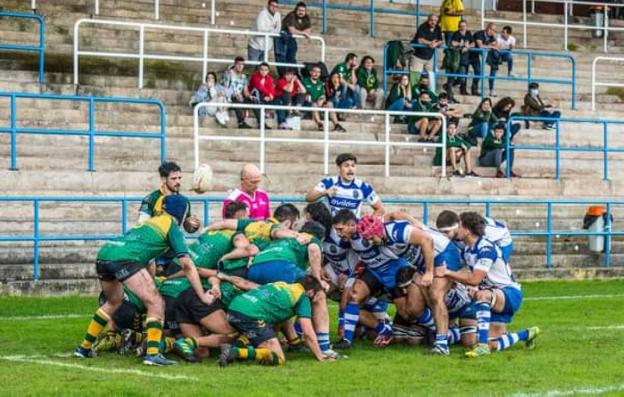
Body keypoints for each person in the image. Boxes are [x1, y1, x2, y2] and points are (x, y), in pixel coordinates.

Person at [74, 195, 209, 366]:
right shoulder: (171, 227)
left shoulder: (150, 222)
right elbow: (187, 265)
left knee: (113, 301)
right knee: (156, 303)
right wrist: (202, 296)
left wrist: (150, 283)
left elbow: (150, 261)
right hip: (125, 258)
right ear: (182, 212)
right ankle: (152, 354)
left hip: (105, 253)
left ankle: (84, 348)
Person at [444, 212, 540, 358]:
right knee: (490, 344)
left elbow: (475, 279)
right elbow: (474, 278)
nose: (457, 229)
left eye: (459, 226)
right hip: (494, 297)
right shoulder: (467, 251)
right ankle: (527, 334)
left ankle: (482, 347)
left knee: (482, 295)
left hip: (509, 293)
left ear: (467, 229)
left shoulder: (485, 248)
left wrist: (446, 272)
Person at [333, 214, 436, 350]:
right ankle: (347, 340)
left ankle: (436, 329)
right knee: (353, 297)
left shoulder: (370, 225)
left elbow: (393, 215)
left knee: (407, 311)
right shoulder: (347, 239)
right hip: (374, 271)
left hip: (393, 270)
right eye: (336, 230)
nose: (338, 233)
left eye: (340, 229)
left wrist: (414, 222)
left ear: (352, 225)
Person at [218, 276, 331, 366]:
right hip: (249, 315)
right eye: (319, 295)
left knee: (265, 326)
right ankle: (236, 352)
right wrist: (320, 356)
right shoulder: (303, 297)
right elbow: (308, 334)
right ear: (310, 292)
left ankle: (236, 347)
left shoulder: (282, 285)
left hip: (234, 309)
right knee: (279, 358)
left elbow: (278, 321)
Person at [305, 152, 384, 217]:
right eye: (346, 166)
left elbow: (380, 209)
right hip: (332, 232)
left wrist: (368, 225)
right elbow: (308, 198)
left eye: (353, 166)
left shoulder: (363, 187)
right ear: (339, 168)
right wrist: (324, 193)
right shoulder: (329, 182)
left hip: (353, 233)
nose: (350, 169)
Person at [139, 161, 200, 233]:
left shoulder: (184, 201)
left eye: (179, 178)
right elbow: (142, 225)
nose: (178, 182)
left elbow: (187, 228)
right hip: (155, 242)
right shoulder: (151, 198)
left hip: (175, 242)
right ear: (164, 179)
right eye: (173, 178)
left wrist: (192, 225)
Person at [436, 209, 514, 263]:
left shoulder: (482, 230)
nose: (444, 236)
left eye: (446, 232)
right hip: (481, 241)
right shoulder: (457, 232)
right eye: (441, 233)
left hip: (501, 241)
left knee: (491, 270)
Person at [302, 64, 344, 132]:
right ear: (311, 72)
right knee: (314, 104)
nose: (316, 74)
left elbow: (323, 95)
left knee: (329, 103)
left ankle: (336, 124)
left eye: (318, 72)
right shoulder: (304, 81)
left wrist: (321, 99)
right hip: (307, 104)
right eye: (315, 71)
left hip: (318, 103)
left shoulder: (321, 83)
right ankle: (319, 124)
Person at [248, 62, 289, 129]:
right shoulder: (255, 77)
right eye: (262, 69)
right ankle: (261, 123)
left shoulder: (269, 78)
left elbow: (272, 90)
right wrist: (269, 95)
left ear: (268, 71)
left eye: (265, 70)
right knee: (257, 97)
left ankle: (282, 122)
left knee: (278, 101)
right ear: (259, 70)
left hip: (265, 98)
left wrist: (270, 97)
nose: (263, 71)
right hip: (254, 97)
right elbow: (260, 87)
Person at [276, 2, 311, 75]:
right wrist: (303, 33)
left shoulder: (306, 17)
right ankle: (282, 75)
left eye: (303, 11)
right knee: (281, 57)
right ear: (296, 9)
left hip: (291, 38)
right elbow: (291, 30)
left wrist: (302, 32)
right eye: (299, 10)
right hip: (282, 37)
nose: (301, 12)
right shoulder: (291, 15)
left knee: (291, 57)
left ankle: (295, 75)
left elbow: (308, 30)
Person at [222, 56, 253, 129]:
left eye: (242, 64)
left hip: (240, 97)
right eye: (238, 64)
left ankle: (261, 122)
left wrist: (250, 96)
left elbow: (245, 91)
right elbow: (225, 88)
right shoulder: (228, 73)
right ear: (234, 65)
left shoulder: (243, 77)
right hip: (229, 97)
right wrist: (234, 94)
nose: (240, 66)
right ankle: (241, 122)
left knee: (255, 100)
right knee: (236, 99)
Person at [471, 23, 499, 97]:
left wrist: (493, 45)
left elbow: (496, 45)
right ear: (488, 29)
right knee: (463, 73)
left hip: (477, 56)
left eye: (494, 31)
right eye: (492, 30)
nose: (493, 32)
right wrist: (491, 46)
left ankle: (474, 90)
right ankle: (461, 88)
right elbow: (480, 46)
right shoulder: (479, 34)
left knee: (478, 72)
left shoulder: (491, 36)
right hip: (469, 54)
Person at [449, 20, 475, 97]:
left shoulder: (468, 33)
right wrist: (463, 44)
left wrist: (468, 47)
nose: (462, 27)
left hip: (465, 58)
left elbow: (473, 44)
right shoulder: (456, 33)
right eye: (461, 26)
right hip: (456, 58)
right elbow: (453, 43)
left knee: (463, 77)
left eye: (464, 26)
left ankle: (461, 89)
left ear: (466, 26)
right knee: (455, 74)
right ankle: (449, 87)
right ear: (459, 26)